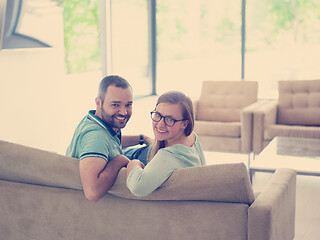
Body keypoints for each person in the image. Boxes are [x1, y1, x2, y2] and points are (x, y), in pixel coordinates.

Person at [66, 75, 151, 201]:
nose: (123, 112)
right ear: (98, 103)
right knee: (157, 156)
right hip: (110, 186)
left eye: (128, 105)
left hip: (113, 158)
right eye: (115, 105)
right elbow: (92, 192)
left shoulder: (96, 122)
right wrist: (120, 159)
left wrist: (142, 138)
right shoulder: (96, 137)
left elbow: (111, 143)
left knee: (151, 148)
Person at [125, 91, 206, 197]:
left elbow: (137, 187)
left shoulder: (167, 156)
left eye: (169, 119)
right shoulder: (192, 137)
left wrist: (133, 163)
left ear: (184, 124)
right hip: (152, 153)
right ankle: (142, 139)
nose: (160, 124)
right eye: (157, 115)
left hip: (137, 158)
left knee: (116, 151)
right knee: (145, 143)